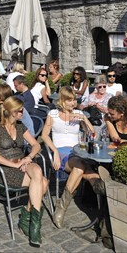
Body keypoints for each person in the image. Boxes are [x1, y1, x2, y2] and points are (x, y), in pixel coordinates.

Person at [41, 86, 104, 229]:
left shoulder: (78, 113)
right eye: (69, 100)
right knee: (82, 166)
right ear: (62, 101)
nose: (73, 103)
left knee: (80, 167)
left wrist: (84, 119)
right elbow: (44, 135)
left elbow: (92, 134)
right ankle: (98, 184)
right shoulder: (53, 114)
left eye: (74, 100)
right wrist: (55, 152)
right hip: (61, 152)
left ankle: (61, 207)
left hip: (77, 152)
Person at [0, 96, 48, 247]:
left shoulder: (21, 126)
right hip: (6, 169)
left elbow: (36, 145)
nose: (23, 112)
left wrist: (28, 158)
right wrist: (13, 165)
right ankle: (29, 222)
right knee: (43, 183)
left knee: (38, 171)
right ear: (11, 112)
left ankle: (32, 223)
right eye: (20, 110)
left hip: (23, 163)